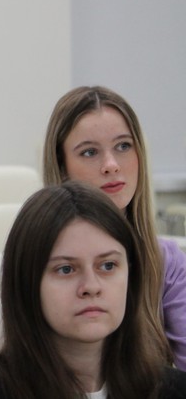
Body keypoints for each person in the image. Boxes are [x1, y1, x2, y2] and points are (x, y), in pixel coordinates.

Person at [0, 182, 186, 398]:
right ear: (27, 283)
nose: (91, 287)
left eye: (108, 266)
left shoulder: (175, 390)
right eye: (66, 269)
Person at [42, 85, 186, 369]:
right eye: (89, 152)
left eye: (123, 146)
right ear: (62, 166)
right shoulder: (35, 256)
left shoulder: (167, 262)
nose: (111, 165)